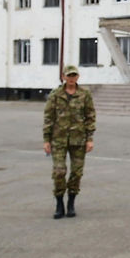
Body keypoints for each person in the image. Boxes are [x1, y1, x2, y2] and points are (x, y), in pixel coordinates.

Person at [43, 65, 96, 219]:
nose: (72, 79)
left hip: (78, 140)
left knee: (76, 173)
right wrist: (46, 140)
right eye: (69, 76)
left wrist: (90, 139)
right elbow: (48, 118)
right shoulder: (55, 95)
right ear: (64, 77)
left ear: (77, 77)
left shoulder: (84, 94)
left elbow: (90, 116)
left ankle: (71, 202)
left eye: (74, 76)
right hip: (58, 139)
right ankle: (59, 203)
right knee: (59, 172)